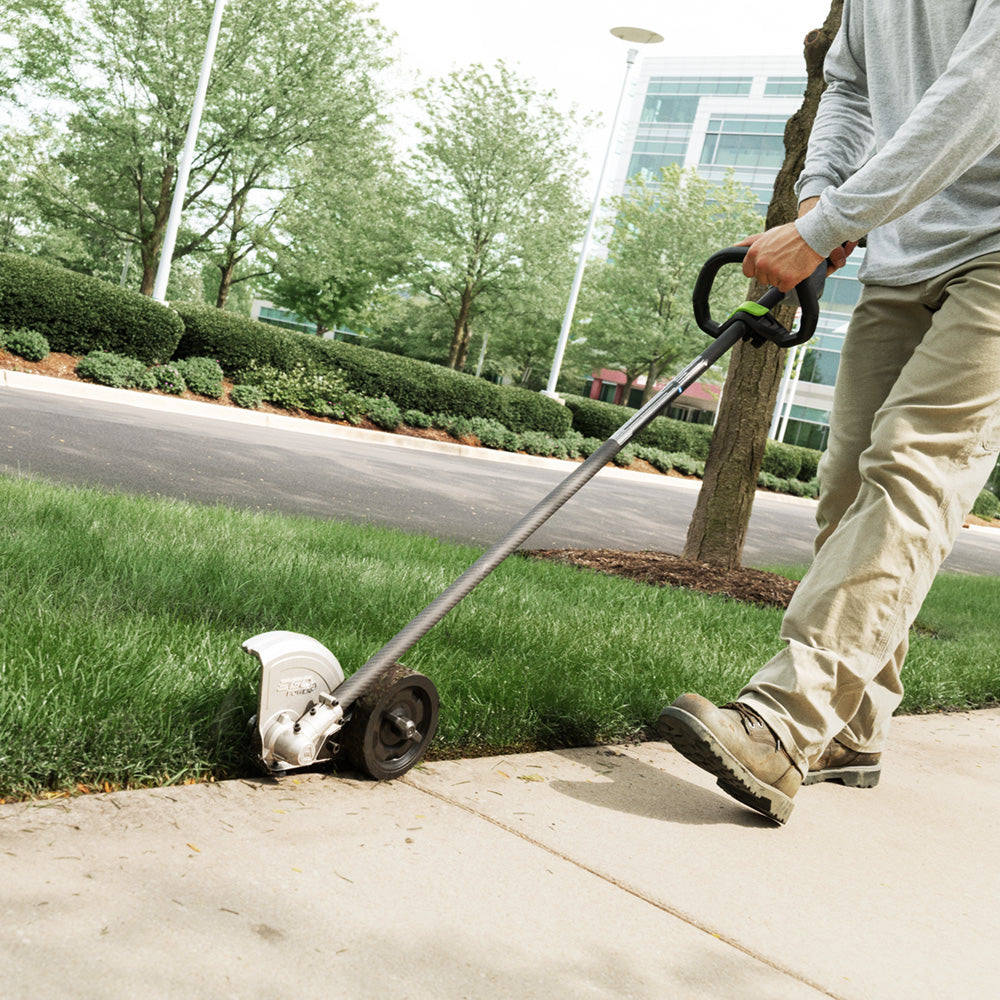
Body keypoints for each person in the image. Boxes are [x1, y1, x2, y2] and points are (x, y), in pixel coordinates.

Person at [657, 0, 1000, 825]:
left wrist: (833, 224)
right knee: (846, 484)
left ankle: (783, 721)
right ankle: (854, 724)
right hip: (907, 242)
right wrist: (822, 198)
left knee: (913, 472)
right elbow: (847, 87)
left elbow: (980, 89)